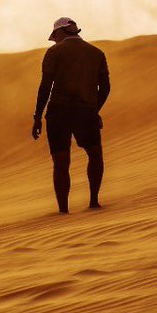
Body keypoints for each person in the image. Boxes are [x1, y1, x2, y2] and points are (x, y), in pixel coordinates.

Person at [31, 17, 111, 213]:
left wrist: (37, 116)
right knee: (94, 154)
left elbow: (45, 87)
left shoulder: (54, 52)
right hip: (86, 111)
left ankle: (63, 210)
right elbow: (106, 88)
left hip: (59, 112)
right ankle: (93, 201)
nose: (54, 40)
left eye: (55, 36)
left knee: (61, 161)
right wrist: (94, 109)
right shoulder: (97, 53)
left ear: (60, 33)